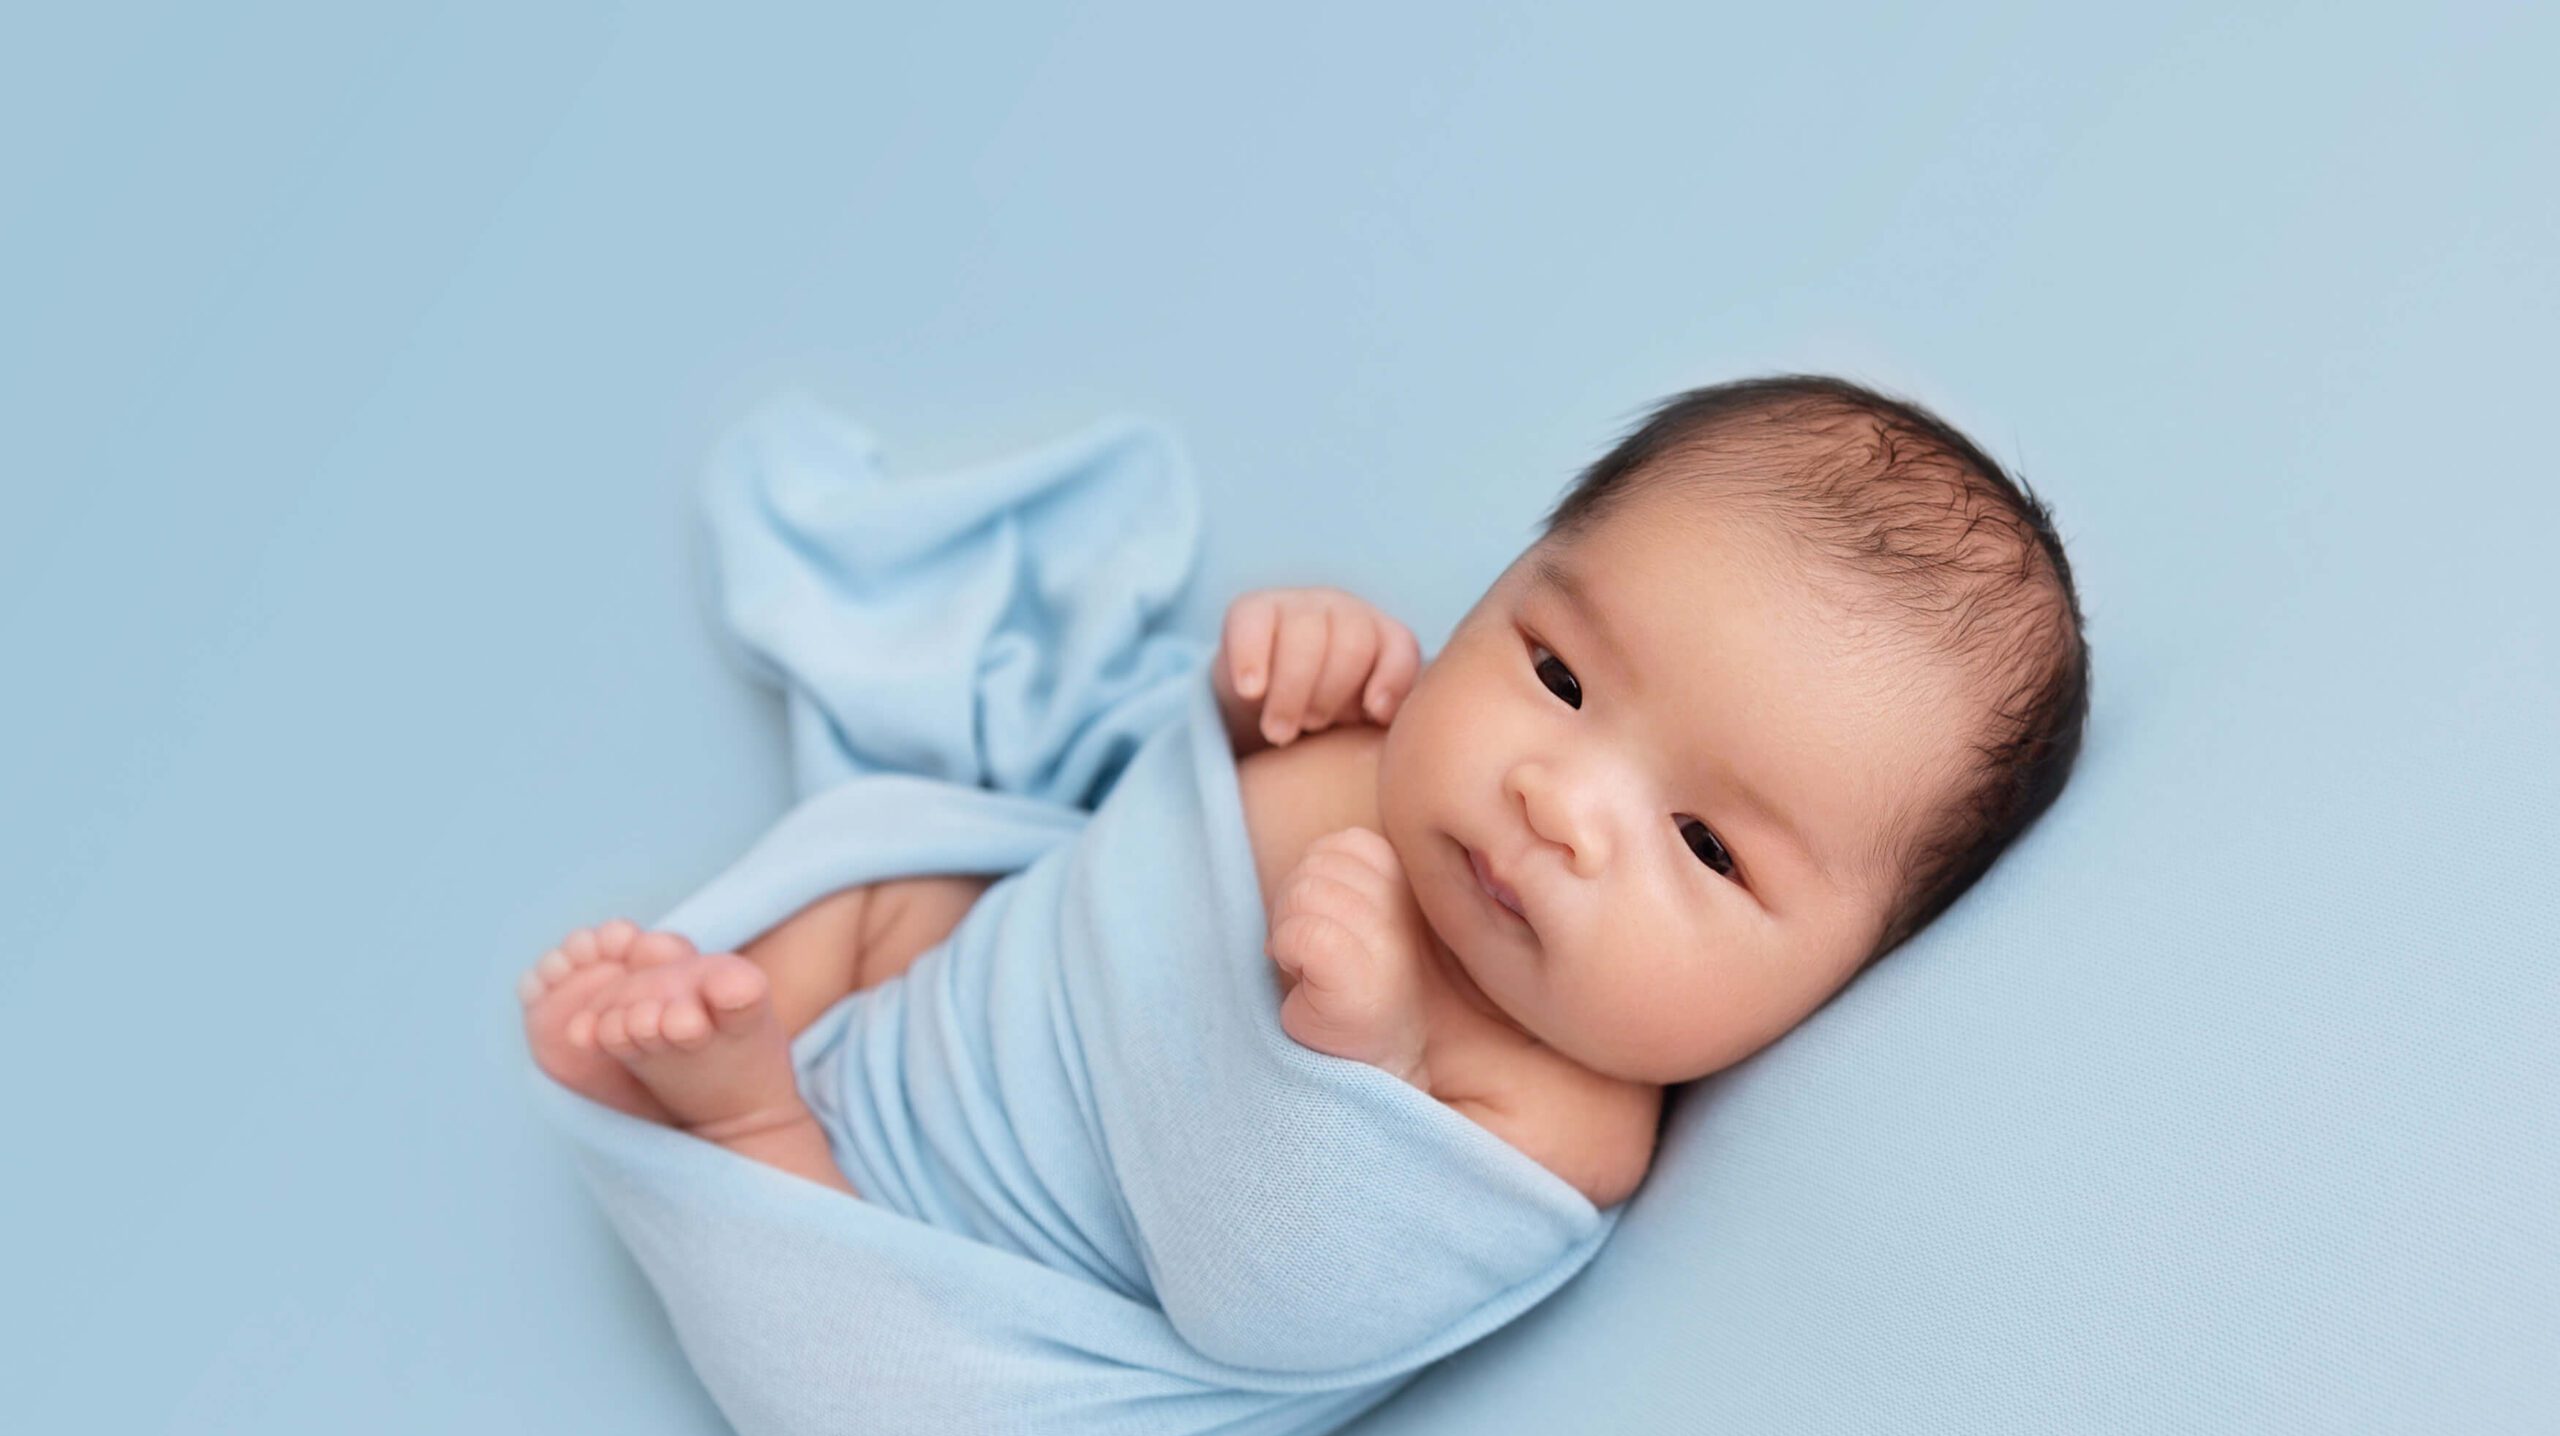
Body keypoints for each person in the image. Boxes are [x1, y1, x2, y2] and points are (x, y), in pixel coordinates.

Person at [519, 373, 2088, 1209]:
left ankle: (746, 1122)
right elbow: (1135, 814)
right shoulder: (1395, 747)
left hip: (971, 1238)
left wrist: (1375, 1067)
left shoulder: (1564, 1122)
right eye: (1555, 672)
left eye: (1701, 842)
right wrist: (1250, 696)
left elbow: (1281, 1305)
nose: (1556, 798)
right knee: (893, 892)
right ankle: (748, 992)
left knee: (875, 1415)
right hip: (982, 978)